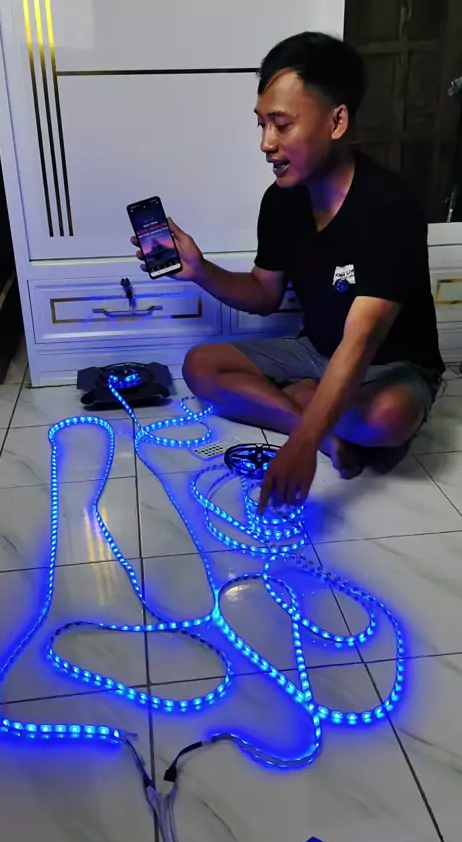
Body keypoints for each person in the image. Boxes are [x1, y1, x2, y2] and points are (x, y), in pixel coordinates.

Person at [132, 31, 444, 512]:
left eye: (281, 124)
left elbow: (361, 341)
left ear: (336, 121)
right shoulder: (281, 201)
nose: (266, 144)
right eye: (262, 125)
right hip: (314, 350)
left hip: (389, 366)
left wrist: (299, 448)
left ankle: (310, 406)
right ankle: (318, 420)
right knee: (200, 366)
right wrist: (200, 270)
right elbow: (264, 294)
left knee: (388, 417)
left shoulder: (389, 207)